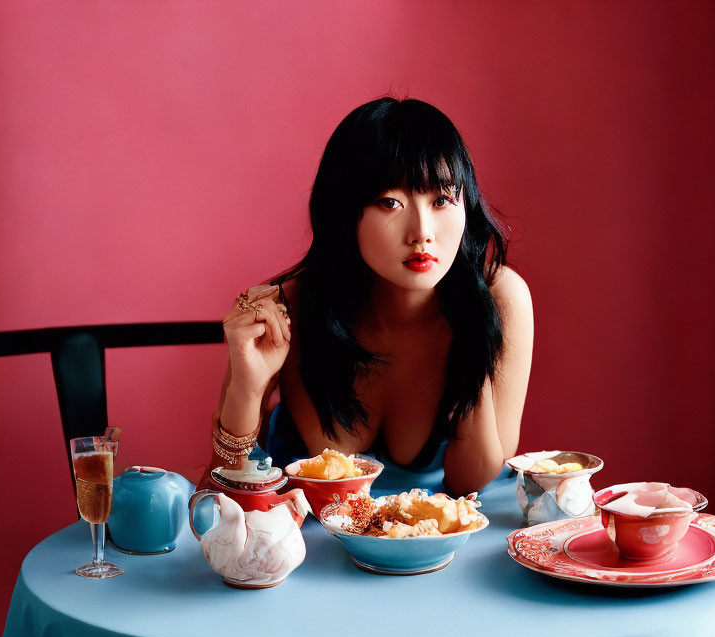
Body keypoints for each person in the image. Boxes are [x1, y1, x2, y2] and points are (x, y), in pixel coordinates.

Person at [207, 97, 533, 496]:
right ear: (344, 212)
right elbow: (214, 499)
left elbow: (474, 481)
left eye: (442, 199)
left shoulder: (500, 298)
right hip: (310, 547)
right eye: (390, 202)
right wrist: (247, 388)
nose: (422, 232)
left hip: (444, 546)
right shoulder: (289, 311)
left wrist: (471, 334)